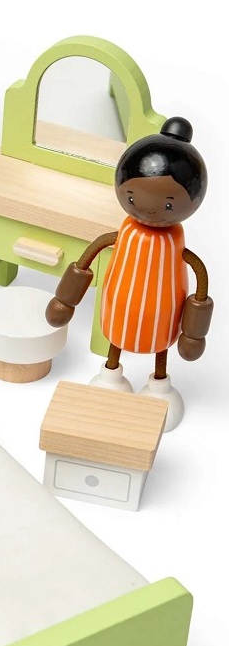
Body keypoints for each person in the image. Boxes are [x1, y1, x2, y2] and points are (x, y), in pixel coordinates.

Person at [45, 117, 213, 430]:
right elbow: (86, 261)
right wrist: (65, 299)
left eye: (168, 204)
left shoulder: (174, 244)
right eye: (133, 197)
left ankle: (158, 387)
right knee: (117, 340)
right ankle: (111, 377)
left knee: (161, 345)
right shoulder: (126, 234)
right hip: (120, 305)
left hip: (164, 311)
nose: (149, 208)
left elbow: (200, 285)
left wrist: (193, 331)